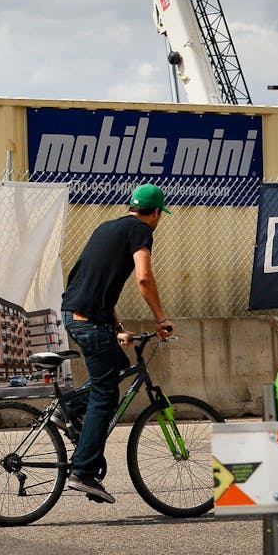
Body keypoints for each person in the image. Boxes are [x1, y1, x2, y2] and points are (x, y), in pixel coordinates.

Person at [59, 183, 176, 505]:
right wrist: (161, 319)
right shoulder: (140, 230)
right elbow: (143, 277)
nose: (157, 220)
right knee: (106, 394)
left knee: (120, 367)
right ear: (155, 213)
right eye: (159, 215)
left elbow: (94, 283)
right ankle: (83, 472)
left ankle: (68, 409)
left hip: (76, 314)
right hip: (89, 322)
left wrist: (117, 328)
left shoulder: (106, 227)